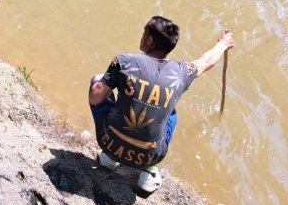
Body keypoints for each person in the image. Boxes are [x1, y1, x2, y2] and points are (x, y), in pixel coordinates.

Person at [88, 16, 234, 194]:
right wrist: (223, 44)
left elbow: (95, 98)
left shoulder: (124, 61)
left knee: (98, 82)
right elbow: (206, 62)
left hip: (108, 142)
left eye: (144, 33)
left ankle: (109, 159)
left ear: (149, 39)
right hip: (148, 156)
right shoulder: (182, 73)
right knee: (170, 113)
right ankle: (148, 173)